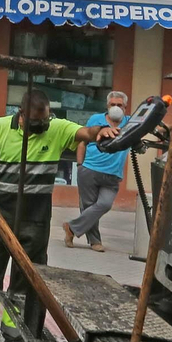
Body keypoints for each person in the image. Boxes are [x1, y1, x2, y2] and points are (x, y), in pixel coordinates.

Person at [0, 90, 119, 342]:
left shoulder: (56, 128)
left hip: (35, 217)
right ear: (21, 115)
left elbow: (86, 133)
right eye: (36, 121)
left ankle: (15, 336)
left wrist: (100, 131)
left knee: (24, 278)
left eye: (45, 119)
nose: (42, 125)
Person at [64, 90, 131, 253]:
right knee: (88, 206)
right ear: (107, 105)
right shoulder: (96, 120)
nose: (116, 107)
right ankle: (95, 241)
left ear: (125, 107)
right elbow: (83, 142)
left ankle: (71, 227)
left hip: (113, 174)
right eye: (113, 104)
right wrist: (80, 165)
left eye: (119, 105)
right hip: (90, 169)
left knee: (105, 204)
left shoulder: (130, 123)